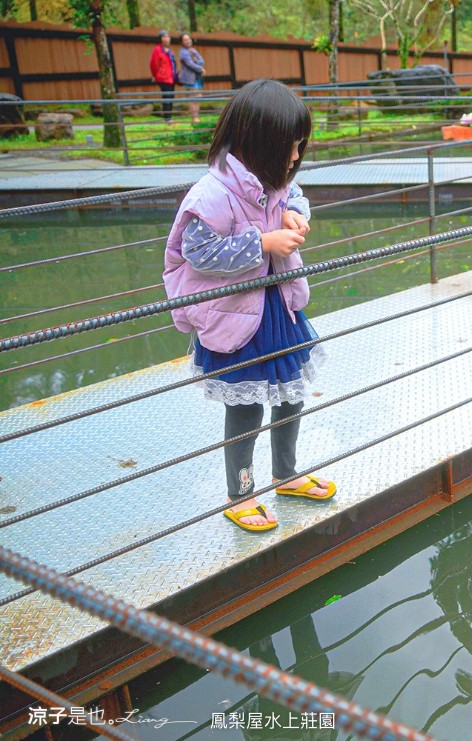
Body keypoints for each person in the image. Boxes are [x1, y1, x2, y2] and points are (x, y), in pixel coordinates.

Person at [163, 79, 335, 532]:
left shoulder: (272, 176)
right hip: (238, 319)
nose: (296, 157)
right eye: (291, 147)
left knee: (292, 395)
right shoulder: (211, 195)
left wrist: (297, 214)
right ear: (261, 144)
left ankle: (286, 474)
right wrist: (262, 242)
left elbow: (292, 196)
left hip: (279, 308)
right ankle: (241, 493)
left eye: (300, 146)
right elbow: (200, 254)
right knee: (246, 409)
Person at [150, 30, 177, 125]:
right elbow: (154, 64)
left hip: (171, 78)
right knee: (167, 96)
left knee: (170, 97)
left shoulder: (170, 51)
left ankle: (169, 116)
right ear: (160, 39)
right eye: (164, 37)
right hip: (163, 77)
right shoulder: (157, 50)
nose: (166, 39)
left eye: (168, 37)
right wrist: (156, 75)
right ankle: (167, 118)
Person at [177, 33, 205, 124]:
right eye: (185, 39)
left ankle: (196, 116)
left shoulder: (193, 51)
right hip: (189, 79)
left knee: (198, 97)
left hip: (196, 78)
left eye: (189, 39)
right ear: (182, 42)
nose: (188, 41)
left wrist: (196, 59)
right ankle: (194, 118)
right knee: (193, 98)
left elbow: (201, 61)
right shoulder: (183, 53)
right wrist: (200, 68)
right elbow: (190, 64)